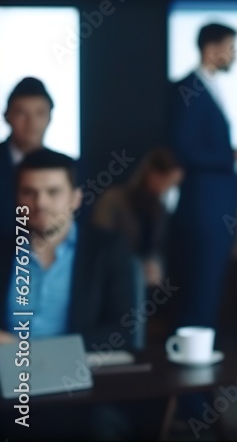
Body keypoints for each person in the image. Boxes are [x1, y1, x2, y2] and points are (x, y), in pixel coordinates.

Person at [0, 149, 141, 439]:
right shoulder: (3, 251)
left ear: (75, 198)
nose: (40, 203)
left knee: (100, 426)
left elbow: (123, 329)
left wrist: (36, 351)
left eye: (53, 192)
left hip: (79, 383)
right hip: (8, 381)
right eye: (29, 192)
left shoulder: (107, 249)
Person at [167, 22, 237, 331]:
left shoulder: (207, 86)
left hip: (215, 204)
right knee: (201, 286)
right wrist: (229, 157)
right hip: (204, 206)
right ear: (211, 49)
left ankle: (200, 347)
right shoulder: (189, 88)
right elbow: (181, 148)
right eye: (230, 48)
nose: (235, 55)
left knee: (208, 286)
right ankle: (194, 351)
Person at [92, 147, 183, 287]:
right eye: (169, 182)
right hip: (111, 275)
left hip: (142, 281)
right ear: (154, 176)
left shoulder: (160, 210)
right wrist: (133, 265)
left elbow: (155, 248)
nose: (170, 189)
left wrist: (154, 265)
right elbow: (100, 243)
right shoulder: (113, 200)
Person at [1, 77, 55, 214]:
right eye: (22, 113)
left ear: (49, 117)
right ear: (7, 117)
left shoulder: (68, 168)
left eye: (40, 113)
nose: (32, 123)